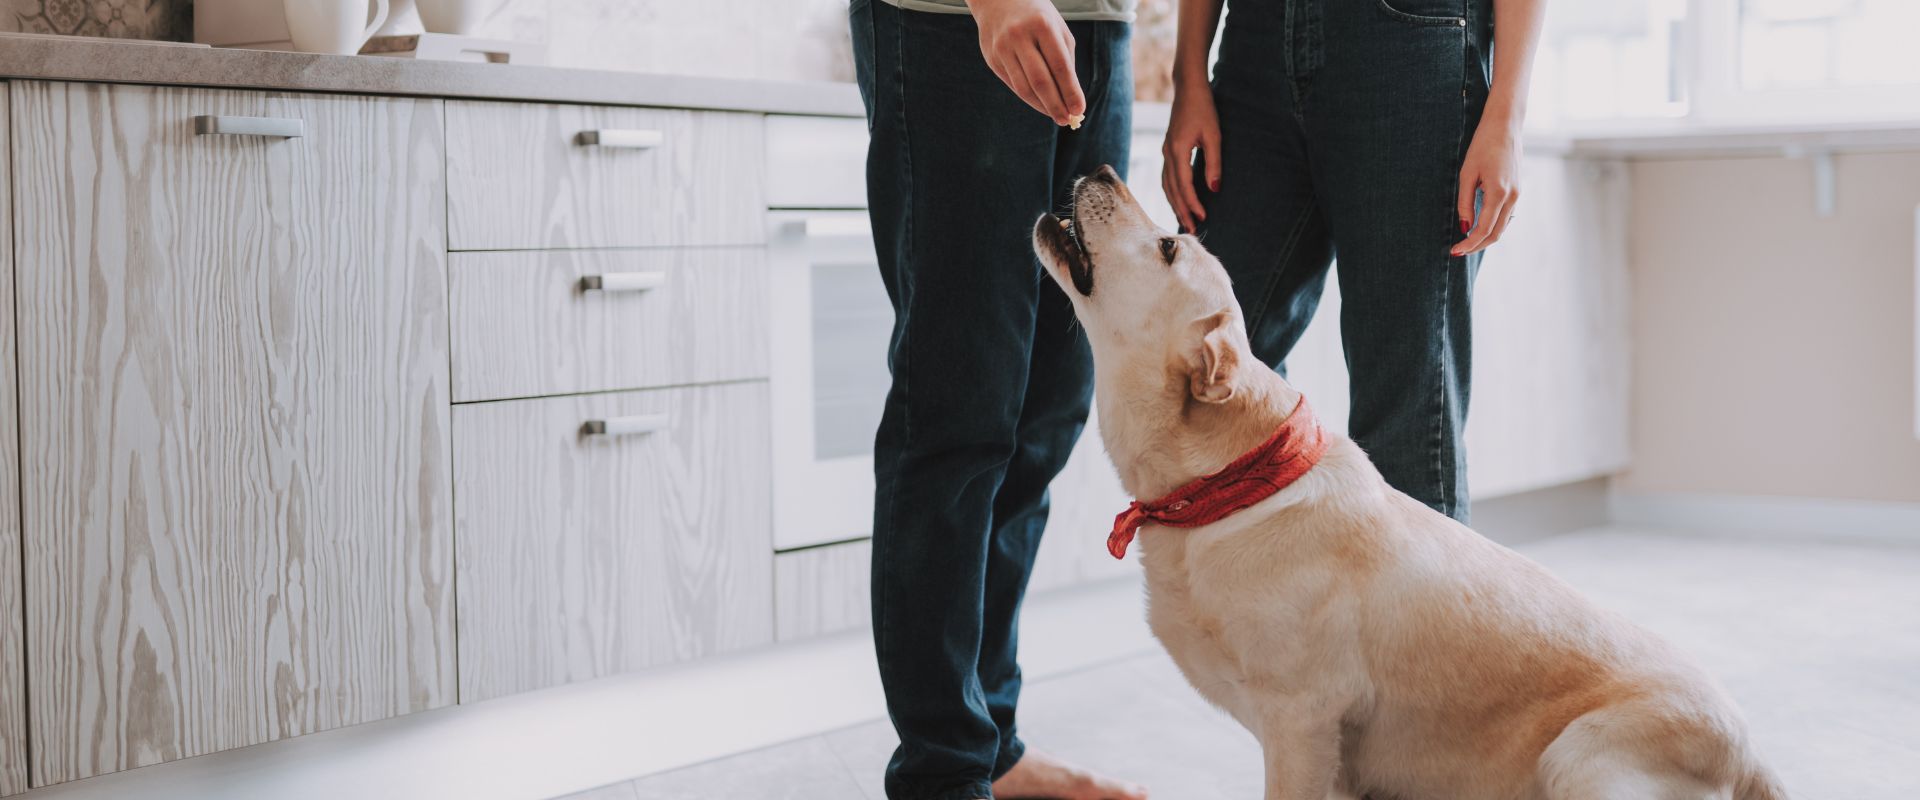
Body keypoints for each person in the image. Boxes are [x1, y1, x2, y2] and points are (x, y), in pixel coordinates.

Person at [849, 0, 1148, 798]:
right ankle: (943, 774)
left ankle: (991, 744)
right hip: (956, 23)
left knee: (1043, 414)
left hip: (1098, 26)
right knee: (960, 412)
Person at [1160, 0, 1546, 522]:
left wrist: (1508, 110)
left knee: (1405, 417)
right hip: (1253, 47)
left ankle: (1407, 607)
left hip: (1407, 42)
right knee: (1207, 369)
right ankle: (1257, 599)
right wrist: (1189, 78)